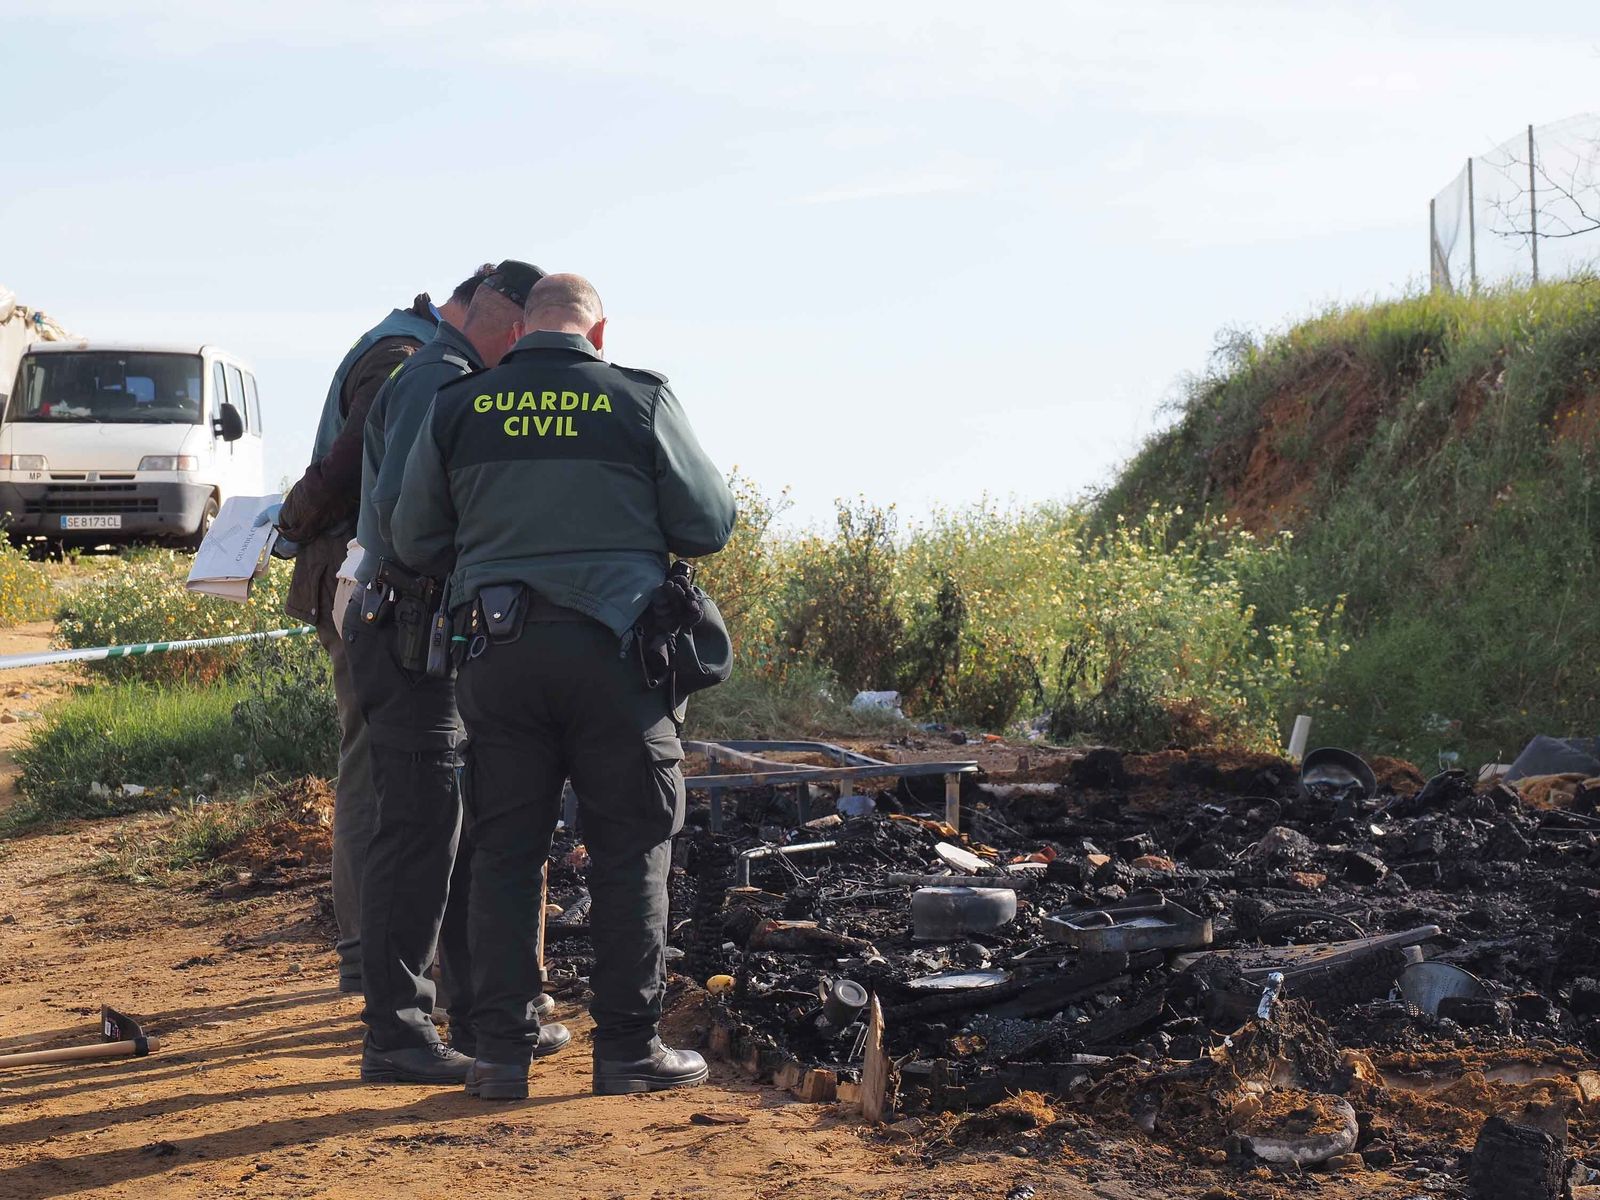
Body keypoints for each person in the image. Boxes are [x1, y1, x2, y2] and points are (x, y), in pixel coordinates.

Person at [392, 273, 736, 1099]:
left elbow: (412, 536)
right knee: (632, 849)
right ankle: (626, 1051)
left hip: (498, 659)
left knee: (506, 853)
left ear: (521, 331)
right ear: (599, 332)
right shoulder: (639, 400)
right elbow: (707, 525)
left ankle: (502, 1056)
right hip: (619, 662)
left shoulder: (461, 405)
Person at [345, 260, 573, 1086]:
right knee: (418, 832)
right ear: (507, 321)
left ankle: (479, 1016)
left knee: (464, 827)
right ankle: (398, 1036)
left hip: (436, 632)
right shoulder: (433, 383)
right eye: (530, 330)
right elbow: (414, 531)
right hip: (410, 631)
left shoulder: (451, 378)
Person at [266, 265, 493, 994]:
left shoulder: (398, 341)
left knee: (378, 758)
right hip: (368, 573)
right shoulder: (412, 359)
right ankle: (371, 954)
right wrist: (295, 514)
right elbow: (355, 467)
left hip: (352, 568)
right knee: (378, 764)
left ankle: (377, 951)